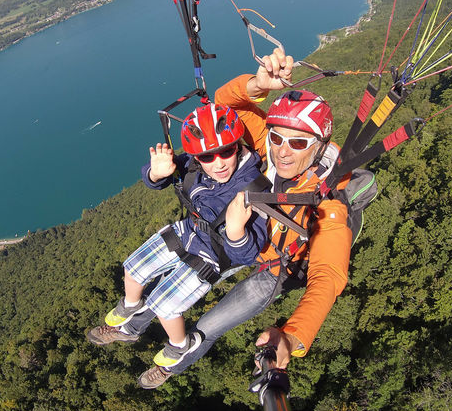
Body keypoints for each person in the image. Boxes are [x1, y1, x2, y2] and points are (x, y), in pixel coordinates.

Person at [101, 48, 353, 389]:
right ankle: (130, 326)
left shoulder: (329, 199)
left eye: (298, 142)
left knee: (212, 323)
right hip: (232, 239)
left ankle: (175, 362)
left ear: (319, 143)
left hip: (272, 267)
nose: (282, 150)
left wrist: (292, 337)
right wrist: (258, 84)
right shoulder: (266, 145)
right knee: (171, 290)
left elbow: (327, 277)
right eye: (277, 138)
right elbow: (223, 106)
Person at [86, 102, 268, 370]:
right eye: (207, 156)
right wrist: (155, 174)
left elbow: (248, 254)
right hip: (190, 230)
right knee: (133, 268)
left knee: (164, 305)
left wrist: (236, 230)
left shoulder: (253, 187)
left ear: (239, 145)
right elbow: (163, 175)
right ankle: (130, 305)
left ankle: (181, 345)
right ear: (197, 156)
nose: (218, 163)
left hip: (215, 252)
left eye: (226, 151)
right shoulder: (194, 165)